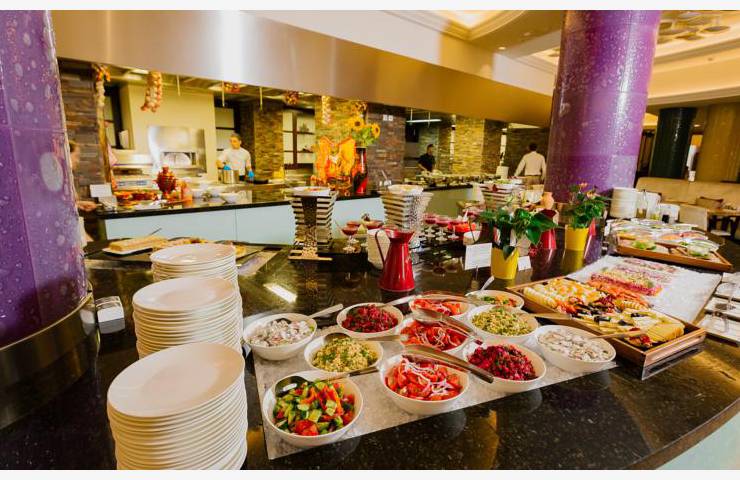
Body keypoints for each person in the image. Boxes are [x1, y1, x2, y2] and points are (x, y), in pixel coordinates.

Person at [68, 141, 97, 213]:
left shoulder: (68, 176)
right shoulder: (57, 178)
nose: (78, 161)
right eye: (76, 156)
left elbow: (65, 204)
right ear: (66, 154)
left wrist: (78, 204)